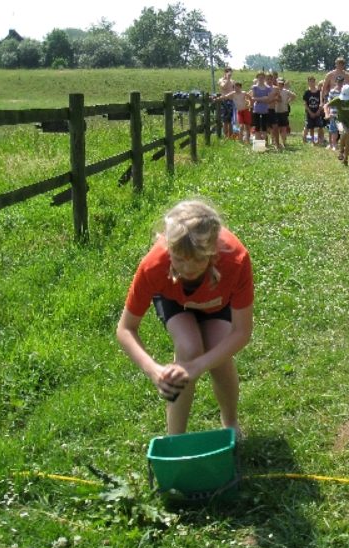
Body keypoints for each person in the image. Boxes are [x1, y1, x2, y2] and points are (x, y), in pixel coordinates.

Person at [116, 199, 254, 436]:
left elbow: (242, 332)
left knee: (218, 350)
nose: (188, 269)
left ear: (213, 251)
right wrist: (154, 370)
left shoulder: (235, 260)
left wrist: (198, 366)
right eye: (179, 259)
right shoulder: (154, 265)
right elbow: (125, 329)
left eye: (199, 260)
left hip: (218, 301)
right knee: (189, 348)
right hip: (174, 299)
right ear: (168, 247)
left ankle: (230, 424)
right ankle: (175, 438)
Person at [326, 84, 349, 166]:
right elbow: (326, 105)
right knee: (344, 132)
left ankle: (346, 158)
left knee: (348, 140)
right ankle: (341, 152)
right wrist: (327, 114)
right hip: (340, 121)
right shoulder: (338, 99)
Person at [249, 72, 273, 143]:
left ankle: (264, 143)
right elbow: (253, 98)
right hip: (256, 109)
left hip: (265, 110)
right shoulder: (254, 87)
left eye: (262, 77)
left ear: (264, 78)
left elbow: (269, 99)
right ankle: (258, 142)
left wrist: (260, 99)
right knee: (257, 127)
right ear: (257, 78)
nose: (261, 79)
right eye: (259, 77)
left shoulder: (268, 88)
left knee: (264, 127)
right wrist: (262, 99)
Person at [302, 76, 324, 145]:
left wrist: (318, 111)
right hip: (309, 113)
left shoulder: (319, 92)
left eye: (313, 81)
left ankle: (320, 140)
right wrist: (310, 112)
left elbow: (322, 102)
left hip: (318, 112)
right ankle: (312, 141)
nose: (312, 83)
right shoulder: (306, 92)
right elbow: (305, 104)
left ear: (315, 82)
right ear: (308, 82)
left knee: (320, 126)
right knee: (311, 127)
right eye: (310, 81)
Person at [217, 68, 236, 138]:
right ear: (225, 72)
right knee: (225, 120)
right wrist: (228, 79)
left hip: (231, 101)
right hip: (224, 101)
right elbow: (223, 87)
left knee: (231, 120)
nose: (230, 74)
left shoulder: (233, 81)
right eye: (228, 72)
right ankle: (225, 136)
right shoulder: (221, 80)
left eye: (231, 72)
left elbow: (234, 91)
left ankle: (230, 136)